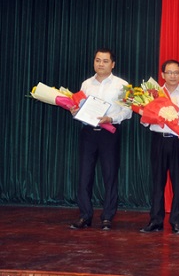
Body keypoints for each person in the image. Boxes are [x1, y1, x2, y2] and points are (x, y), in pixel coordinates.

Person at [70, 48, 132, 231]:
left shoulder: (123, 85)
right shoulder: (86, 84)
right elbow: (79, 106)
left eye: (105, 61)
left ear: (113, 64)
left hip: (109, 133)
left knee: (110, 175)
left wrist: (111, 119)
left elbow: (127, 111)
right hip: (88, 133)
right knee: (84, 175)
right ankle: (85, 215)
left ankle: (107, 217)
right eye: (97, 60)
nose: (100, 64)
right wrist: (75, 111)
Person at [140, 60, 179, 235]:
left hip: (178, 141)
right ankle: (155, 221)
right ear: (162, 75)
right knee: (157, 182)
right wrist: (146, 115)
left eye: (176, 72)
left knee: (178, 182)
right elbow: (144, 121)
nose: (172, 76)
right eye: (169, 72)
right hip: (158, 140)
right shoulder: (154, 94)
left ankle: (177, 222)